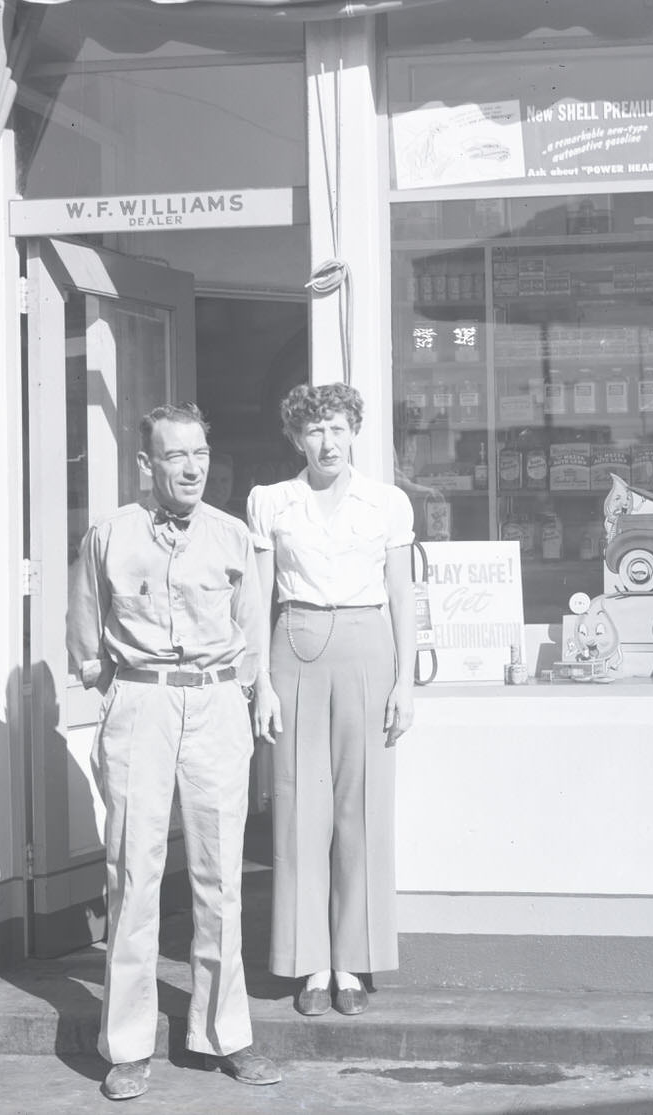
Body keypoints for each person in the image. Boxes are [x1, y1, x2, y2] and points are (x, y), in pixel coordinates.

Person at [66, 403, 281, 1101]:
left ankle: (225, 1033)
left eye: (199, 454)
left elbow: (252, 640)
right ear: (146, 465)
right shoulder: (108, 536)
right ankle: (127, 1046)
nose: (191, 468)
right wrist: (130, 692)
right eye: (174, 456)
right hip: (141, 702)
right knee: (134, 872)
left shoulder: (232, 536)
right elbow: (85, 644)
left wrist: (239, 694)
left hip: (218, 703)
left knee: (220, 876)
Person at [246, 383, 417, 1017]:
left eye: (339, 428)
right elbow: (258, 599)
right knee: (297, 805)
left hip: (368, 646)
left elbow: (402, 595)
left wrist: (404, 681)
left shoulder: (386, 503)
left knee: (363, 807)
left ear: (355, 434)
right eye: (315, 430)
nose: (328, 441)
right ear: (296, 438)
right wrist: (260, 681)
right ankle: (309, 964)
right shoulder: (273, 502)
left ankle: (352, 962)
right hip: (295, 642)